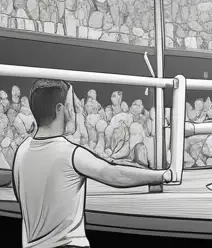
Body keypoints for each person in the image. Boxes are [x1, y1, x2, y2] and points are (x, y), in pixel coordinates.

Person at [12, 80, 170, 248]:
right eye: (71, 105)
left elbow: (21, 194)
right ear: (59, 109)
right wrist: (162, 175)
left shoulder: (22, 151)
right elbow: (115, 175)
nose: (74, 110)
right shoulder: (69, 153)